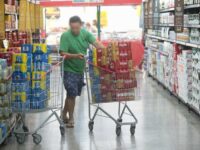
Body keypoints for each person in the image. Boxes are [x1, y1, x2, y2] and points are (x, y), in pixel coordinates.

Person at [60, 16, 105, 128]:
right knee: (71, 93)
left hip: (80, 69)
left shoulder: (85, 34)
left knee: (72, 95)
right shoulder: (65, 36)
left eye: (77, 28)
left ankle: (63, 113)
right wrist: (75, 55)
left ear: (81, 25)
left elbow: (96, 43)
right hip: (68, 69)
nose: (75, 30)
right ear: (70, 26)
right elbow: (62, 53)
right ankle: (71, 119)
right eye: (73, 28)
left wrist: (106, 51)